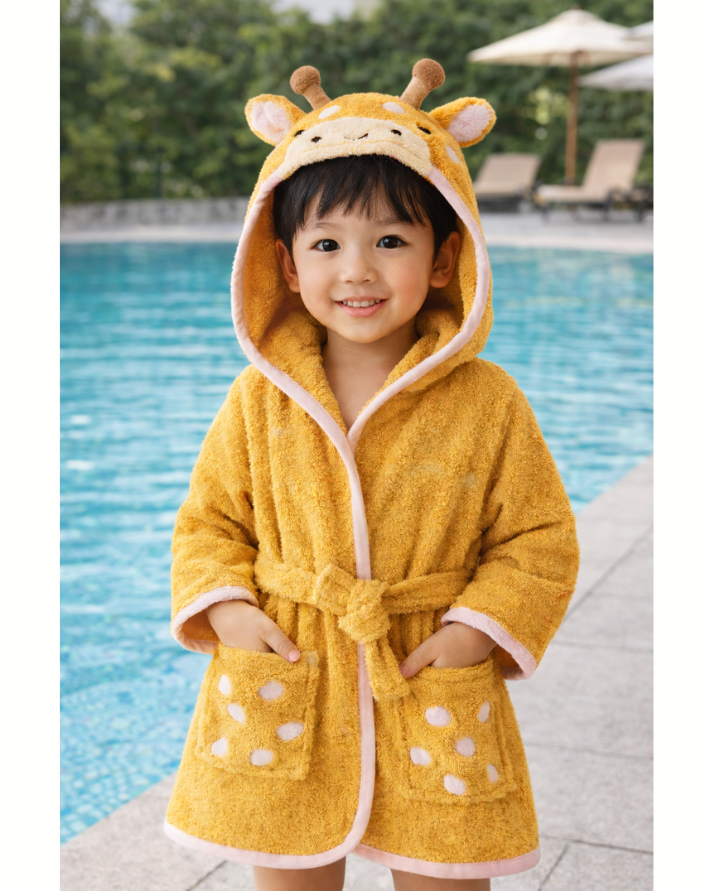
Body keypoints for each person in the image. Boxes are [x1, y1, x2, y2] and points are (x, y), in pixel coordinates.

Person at [164, 61, 579, 891]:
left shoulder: (487, 401)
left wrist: (475, 630)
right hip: (288, 671)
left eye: (390, 240)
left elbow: (538, 537)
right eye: (326, 244)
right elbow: (207, 523)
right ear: (286, 265)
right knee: (290, 862)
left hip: (427, 668)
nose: (356, 269)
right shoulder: (259, 398)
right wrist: (230, 610)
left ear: (444, 257)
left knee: (445, 865)